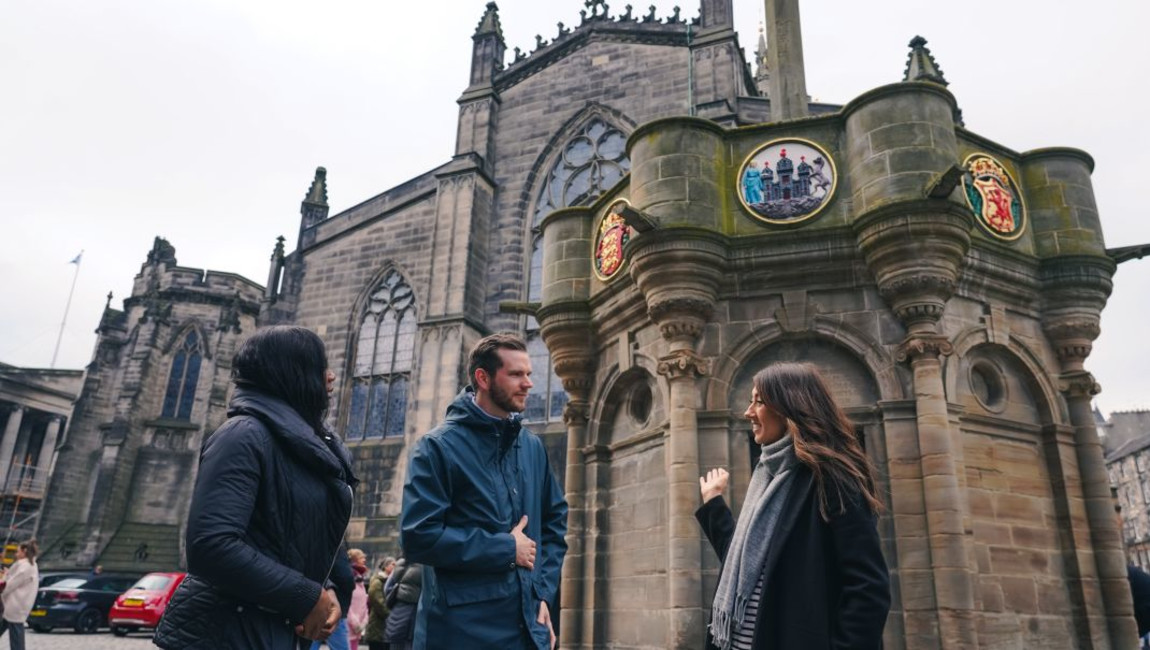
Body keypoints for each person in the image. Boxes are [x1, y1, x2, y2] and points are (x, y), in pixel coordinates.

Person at [155, 325, 359, 650]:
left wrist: (328, 586)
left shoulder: (302, 447)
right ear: (293, 373)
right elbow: (211, 546)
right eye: (321, 367)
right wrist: (307, 595)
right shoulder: (243, 434)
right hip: (226, 634)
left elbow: (291, 540)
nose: (331, 377)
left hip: (273, 631)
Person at [696, 362, 890, 650]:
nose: (748, 412)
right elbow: (750, 563)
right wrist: (714, 505)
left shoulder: (833, 479)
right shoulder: (767, 475)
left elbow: (868, 590)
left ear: (790, 407)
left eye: (759, 402)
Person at [400, 333, 568, 650]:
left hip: (526, 631)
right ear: (483, 378)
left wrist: (542, 594)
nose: (529, 383)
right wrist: (506, 548)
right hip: (461, 633)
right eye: (516, 374)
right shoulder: (437, 448)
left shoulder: (532, 446)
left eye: (529, 374)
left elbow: (555, 520)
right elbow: (418, 537)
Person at [0, 540, 40, 650]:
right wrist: (8, 574)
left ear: (24, 551)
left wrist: (5, 576)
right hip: (16, 604)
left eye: (18, 551)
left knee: (16, 637)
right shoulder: (31, 565)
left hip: (14, 605)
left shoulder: (24, 567)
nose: (16, 554)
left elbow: (9, 585)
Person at [383, 557, 422, 650]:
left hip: (396, 612)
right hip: (413, 614)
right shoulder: (425, 566)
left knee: (395, 643)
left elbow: (387, 588)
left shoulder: (400, 563)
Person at [363, 558, 395, 650]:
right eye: (393, 564)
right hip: (377, 625)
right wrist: (390, 615)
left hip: (385, 626)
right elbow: (378, 602)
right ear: (385, 567)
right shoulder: (378, 581)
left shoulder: (389, 580)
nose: (395, 567)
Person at [345, 549, 370, 650]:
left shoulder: (360, 579)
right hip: (350, 626)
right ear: (354, 560)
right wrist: (355, 623)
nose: (364, 560)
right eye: (361, 558)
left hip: (358, 627)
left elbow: (364, 603)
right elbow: (347, 604)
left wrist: (364, 621)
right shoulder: (349, 578)